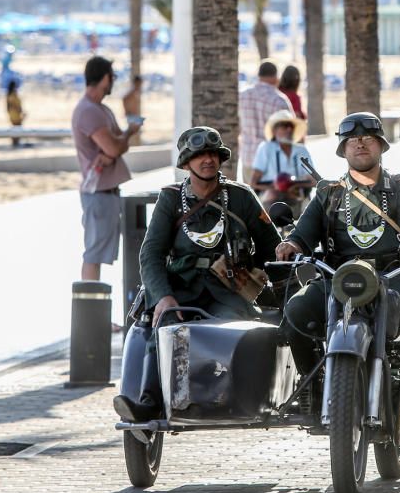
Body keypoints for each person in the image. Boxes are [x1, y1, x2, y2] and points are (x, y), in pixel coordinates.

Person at [275, 112, 400, 431]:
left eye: (368, 139)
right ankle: (314, 388)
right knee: (295, 312)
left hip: (399, 273)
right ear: (343, 149)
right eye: (353, 140)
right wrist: (289, 245)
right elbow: (301, 235)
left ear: (381, 147)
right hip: (340, 278)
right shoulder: (327, 192)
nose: (361, 144)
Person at [113, 126, 281, 422]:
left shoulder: (241, 197)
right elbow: (150, 254)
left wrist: (250, 277)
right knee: (162, 324)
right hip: (181, 289)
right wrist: (163, 296)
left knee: (234, 330)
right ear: (186, 162)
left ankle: (232, 399)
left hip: (228, 291)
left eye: (213, 154)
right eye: (199, 155)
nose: (208, 160)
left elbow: (272, 249)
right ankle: (150, 403)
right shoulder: (170, 199)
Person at [71, 56, 140, 281]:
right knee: (93, 255)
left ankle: (94, 311)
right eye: (112, 77)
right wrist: (125, 137)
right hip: (98, 194)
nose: (112, 82)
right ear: (105, 78)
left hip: (106, 193)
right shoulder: (89, 111)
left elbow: (117, 146)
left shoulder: (100, 109)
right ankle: (90, 313)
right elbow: (114, 147)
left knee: (97, 254)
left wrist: (122, 140)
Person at [249, 110, 316, 211]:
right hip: (271, 198)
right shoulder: (266, 148)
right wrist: (274, 189)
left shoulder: (301, 150)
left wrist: (295, 186)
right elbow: (253, 183)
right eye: (284, 126)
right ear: (274, 131)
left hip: (296, 195)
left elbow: (313, 181)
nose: (289, 129)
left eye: (291, 126)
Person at [239, 60, 294, 182]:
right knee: (272, 200)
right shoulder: (279, 100)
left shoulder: (242, 96)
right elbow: (291, 133)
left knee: (249, 199)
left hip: (248, 158)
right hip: (272, 161)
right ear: (276, 77)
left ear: (258, 76)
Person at [122, 75, 143, 146]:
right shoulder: (131, 92)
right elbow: (124, 99)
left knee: (136, 135)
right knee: (132, 136)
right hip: (132, 116)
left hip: (135, 116)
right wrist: (126, 111)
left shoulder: (137, 92)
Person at [5, 79, 24, 148]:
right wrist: (21, 112)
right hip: (16, 114)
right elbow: (17, 105)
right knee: (18, 128)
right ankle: (16, 142)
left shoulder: (8, 94)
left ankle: (14, 142)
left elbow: (7, 106)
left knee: (14, 128)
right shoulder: (14, 94)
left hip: (12, 114)